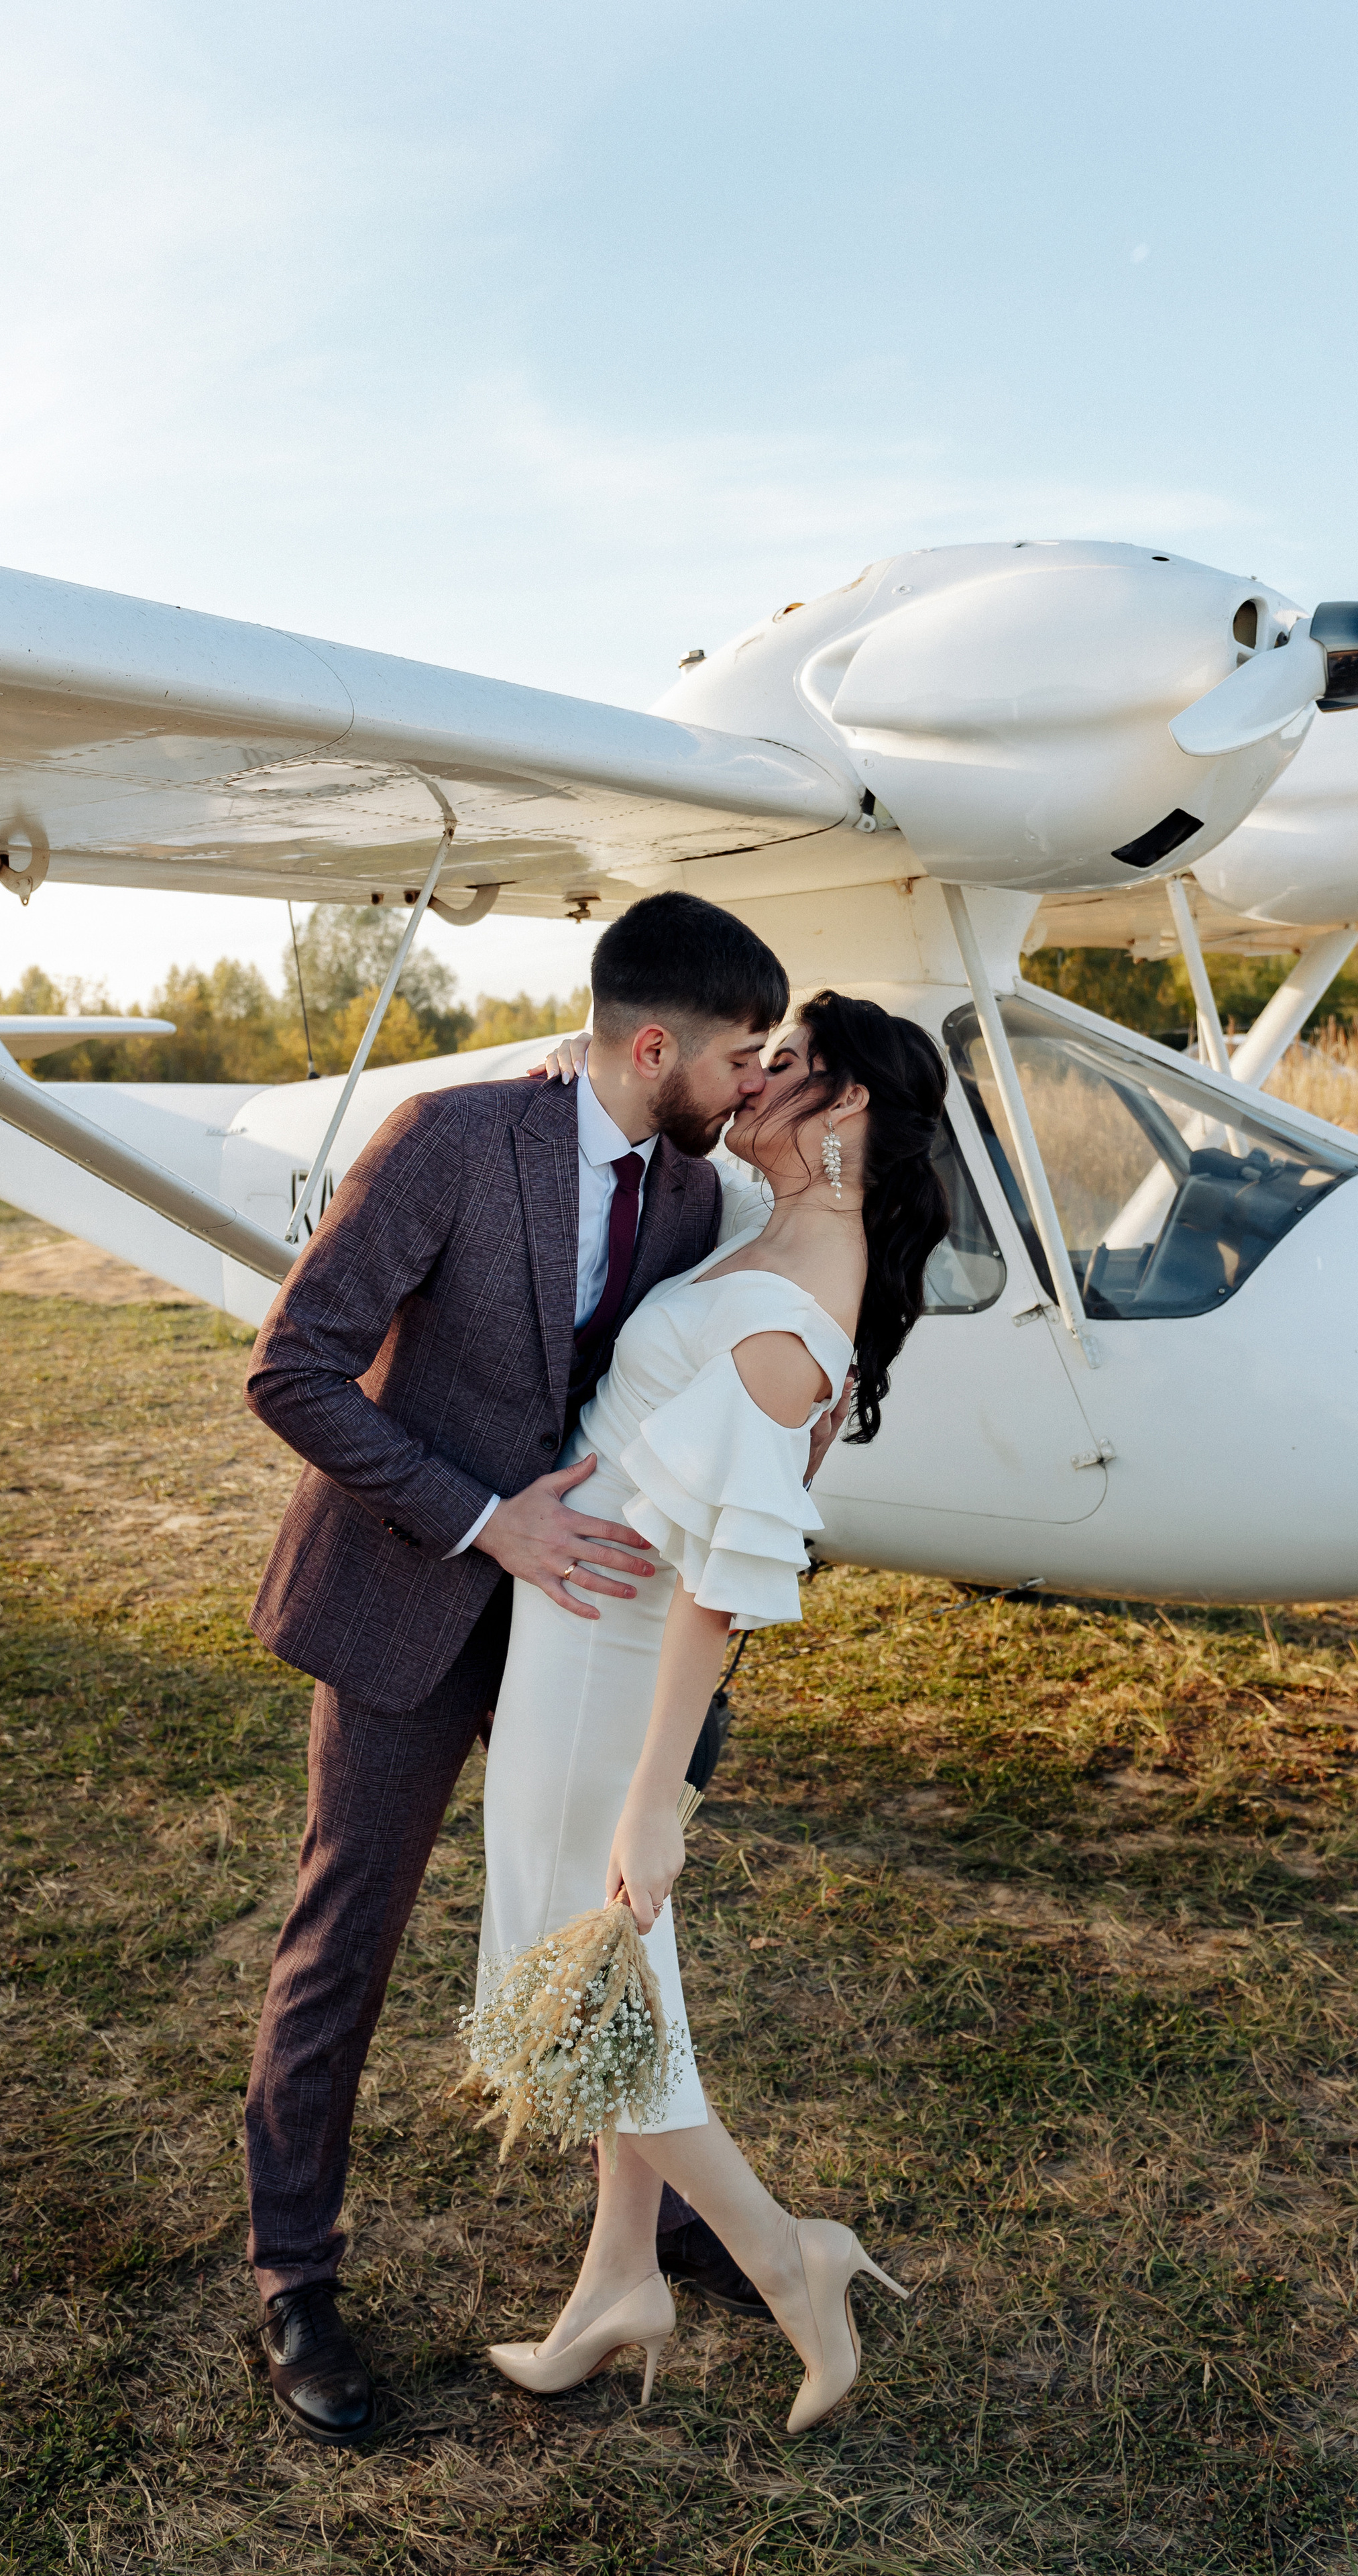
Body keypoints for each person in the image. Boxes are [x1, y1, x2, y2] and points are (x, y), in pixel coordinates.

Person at [239, 892, 841, 2446]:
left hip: (591, 1625)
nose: (752, 1083)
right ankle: (294, 2280)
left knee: (610, 1920)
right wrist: (479, 1521)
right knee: (343, 1938)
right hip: (406, 1593)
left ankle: (641, 2239)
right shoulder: (447, 1140)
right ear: (655, 1046)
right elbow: (290, 1370)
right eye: (737, 1057)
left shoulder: (704, 1201)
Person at [475, 989, 951, 2432]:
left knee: (570, 2002)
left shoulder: (807, 1288)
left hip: (608, 1673)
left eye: (783, 1066)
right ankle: (619, 2277)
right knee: (628, 1990)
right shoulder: (778, 1237)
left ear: (848, 1101)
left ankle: (784, 2255)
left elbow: (719, 1587)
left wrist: (646, 1798)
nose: (749, 1083)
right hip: (583, 1640)